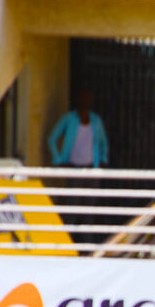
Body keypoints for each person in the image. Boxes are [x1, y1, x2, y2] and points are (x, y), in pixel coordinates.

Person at [47, 88, 109, 244]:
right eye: (83, 98)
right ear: (78, 100)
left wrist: (102, 159)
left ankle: (87, 246)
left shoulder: (96, 121)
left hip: (92, 170)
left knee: (89, 211)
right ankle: (67, 245)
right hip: (74, 170)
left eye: (88, 98)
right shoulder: (69, 119)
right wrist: (59, 160)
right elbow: (52, 139)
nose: (86, 101)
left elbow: (103, 143)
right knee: (71, 210)